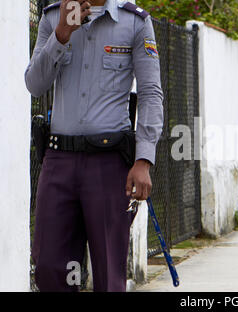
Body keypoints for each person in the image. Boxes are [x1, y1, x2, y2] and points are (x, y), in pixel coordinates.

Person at [25, 0, 163, 292]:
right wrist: (62, 34)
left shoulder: (135, 21)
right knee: (49, 267)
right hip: (58, 161)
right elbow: (35, 84)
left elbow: (151, 93)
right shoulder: (53, 17)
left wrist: (144, 159)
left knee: (108, 272)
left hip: (109, 164)